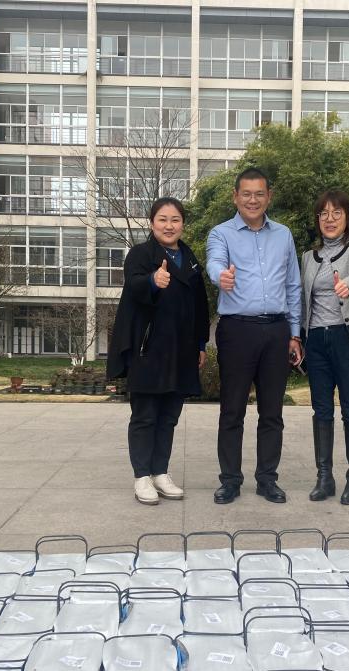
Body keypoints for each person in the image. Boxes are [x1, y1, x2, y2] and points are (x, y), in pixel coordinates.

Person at [206, 168, 302, 505]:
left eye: (259, 194)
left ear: (268, 197)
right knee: (232, 410)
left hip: (276, 330)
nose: (252, 200)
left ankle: (267, 480)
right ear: (235, 196)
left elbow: (293, 285)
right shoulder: (221, 233)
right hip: (237, 330)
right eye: (246, 193)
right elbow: (214, 262)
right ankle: (230, 480)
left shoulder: (284, 235)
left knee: (272, 412)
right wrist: (221, 276)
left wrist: (294, 333)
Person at [107, 197, 210, 505]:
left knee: (169, 417)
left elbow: (201, 305)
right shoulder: (140, 254)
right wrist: (153, 280)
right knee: (145, 415)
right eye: (163, 219)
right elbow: (133, 285)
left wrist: (201, 344)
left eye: (175, 220)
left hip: (181, 350)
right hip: (148, 349)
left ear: (183, 224)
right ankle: (142, 476)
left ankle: (160, 472)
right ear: (152, 223)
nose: (169, 225)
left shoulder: (190, 258)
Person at [300, 189, 349, 505]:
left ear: (347, 217)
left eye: (336, 213)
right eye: (324, 213)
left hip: (347, 338)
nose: (329, 219)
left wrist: (348, 285)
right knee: (322, 409)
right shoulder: (308, 257)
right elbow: (301, 298)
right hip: (316, 339)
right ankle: (324, 478)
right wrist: (296, 336)